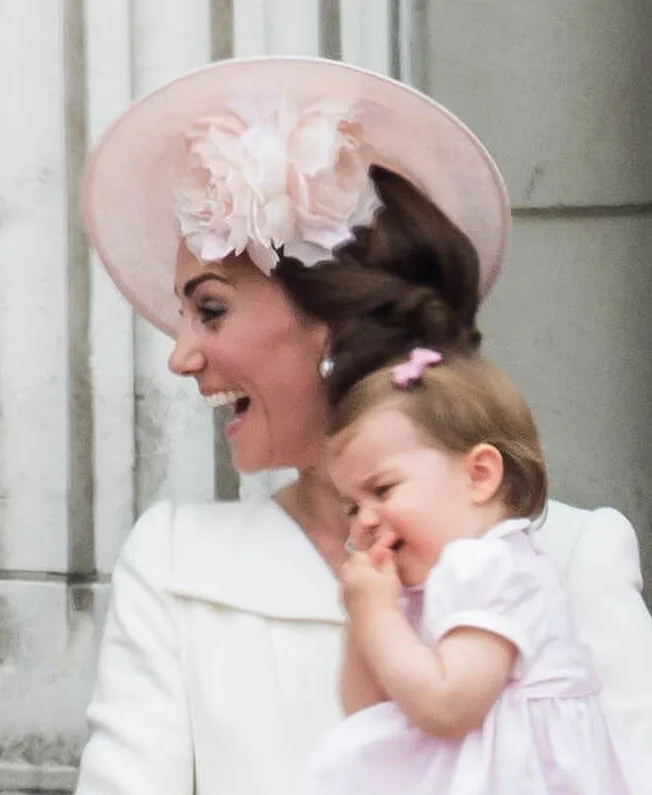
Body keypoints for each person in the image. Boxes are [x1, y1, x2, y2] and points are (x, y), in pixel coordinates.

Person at [74, 56, 652, 795]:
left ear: (333, 321)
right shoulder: (176, 562)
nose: (181, 357)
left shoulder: (570, 557)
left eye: (210, 308)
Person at [296, 348, 650, 793]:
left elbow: (447, 707)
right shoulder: (418, 588)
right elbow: (366, 713)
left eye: (382, 490)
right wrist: (363, 621)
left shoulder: (496, 566)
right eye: (351, 506)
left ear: (479, 476)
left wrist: (380, 619)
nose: (364, 521)